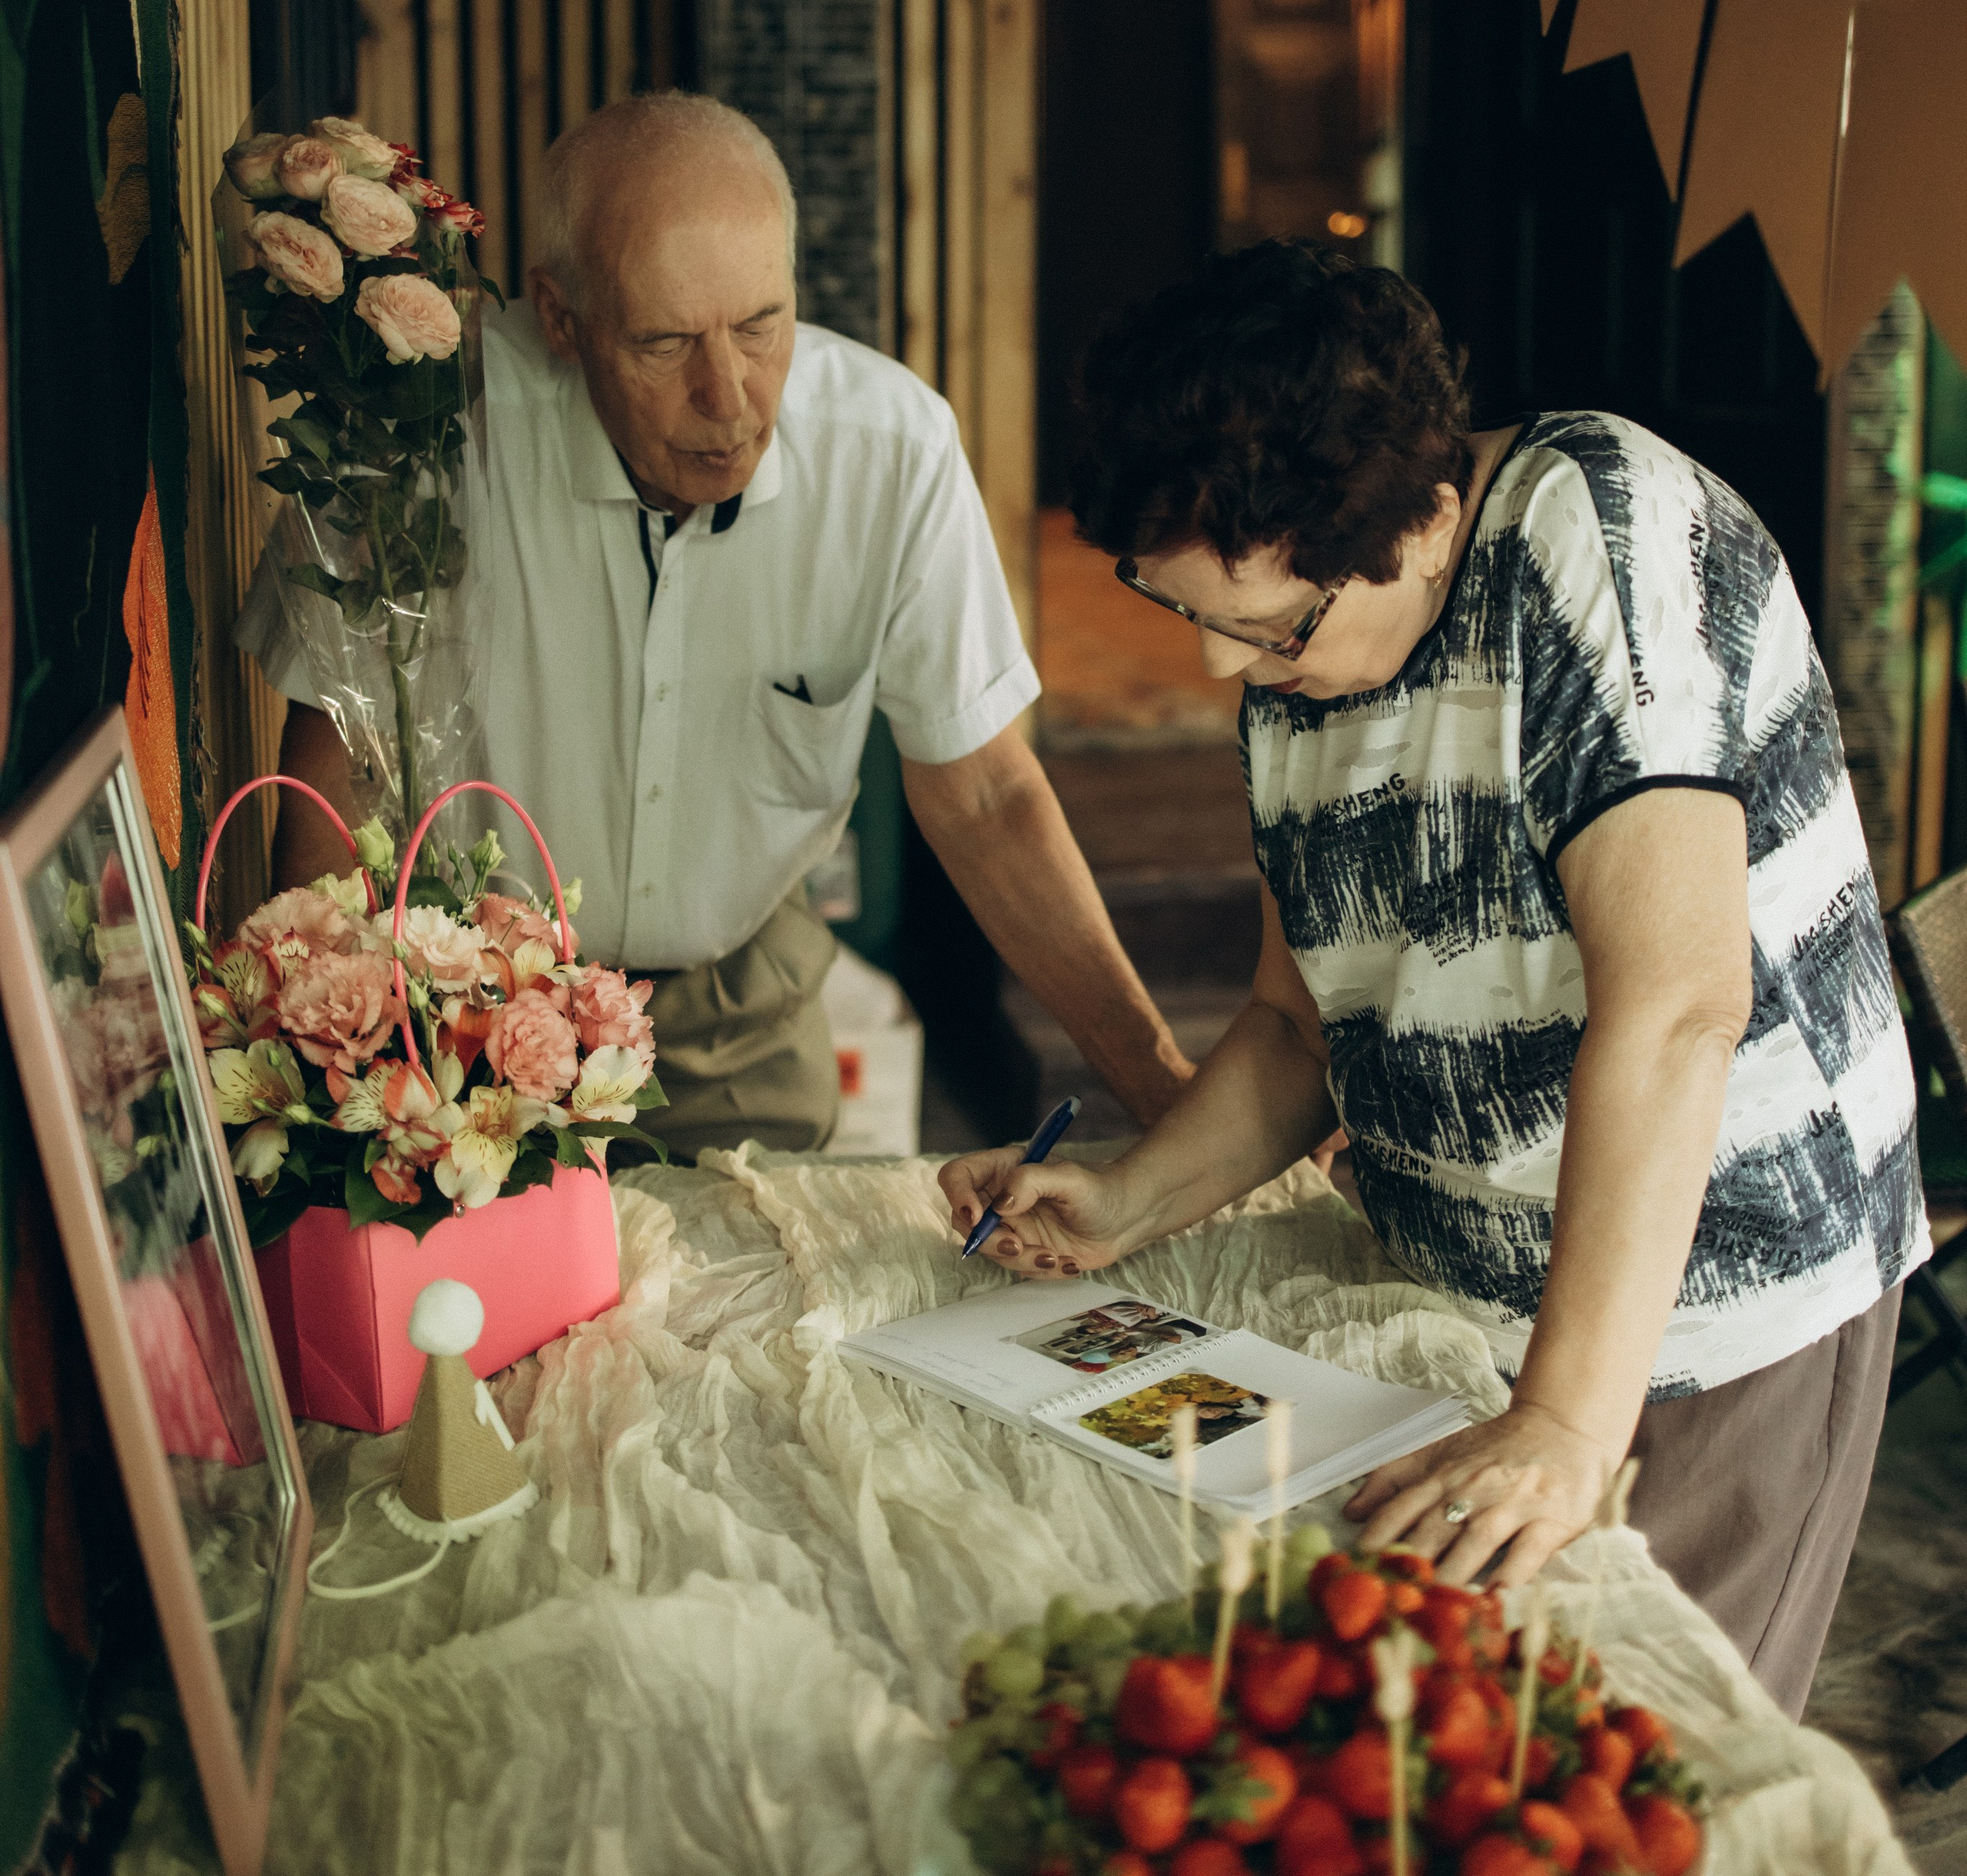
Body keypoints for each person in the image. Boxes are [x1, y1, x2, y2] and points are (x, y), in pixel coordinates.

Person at [938, 240, 1925, 1713]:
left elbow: (1677, 1010)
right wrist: (1134, 1195)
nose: (1225, 673)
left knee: (1650, 1759)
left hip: (1718, 1286)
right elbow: (1296, 1020)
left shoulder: (1599, 533)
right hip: (1467, 1286)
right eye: (1191, 615)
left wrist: (1568, 1427)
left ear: (1424, 521)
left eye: (1266, 625)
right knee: (1446, 1745)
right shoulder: (1295, 659)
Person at [241, 91, 1191, 1156]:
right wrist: (345, 1081)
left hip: (738, 1005)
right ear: (560, 318)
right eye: (662, 342)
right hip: (457, 1008)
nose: (730, 399)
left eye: (760, 326)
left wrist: (1165, 1094)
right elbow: (332, 763)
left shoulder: (892, 450)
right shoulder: (424, 433)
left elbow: (987, 798)